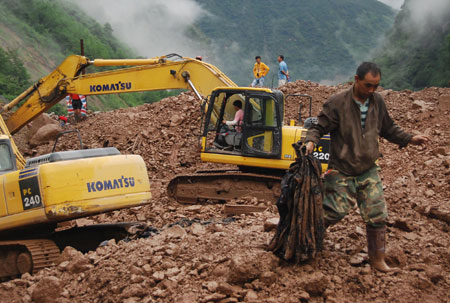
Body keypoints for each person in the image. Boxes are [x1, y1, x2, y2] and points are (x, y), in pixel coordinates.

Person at [304, 62, 429, 273]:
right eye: (368, 85)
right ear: (356, 80)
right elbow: (319, 126)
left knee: (377, 213)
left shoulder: (377, 101)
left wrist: (410, 138)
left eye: (376, 86)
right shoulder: (337, 102)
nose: (372, 90)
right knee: (333, 211)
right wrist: (310, 142)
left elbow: (389, 128)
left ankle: (378, 260)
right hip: (342, 168)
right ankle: (306, 242)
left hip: (368, 169)